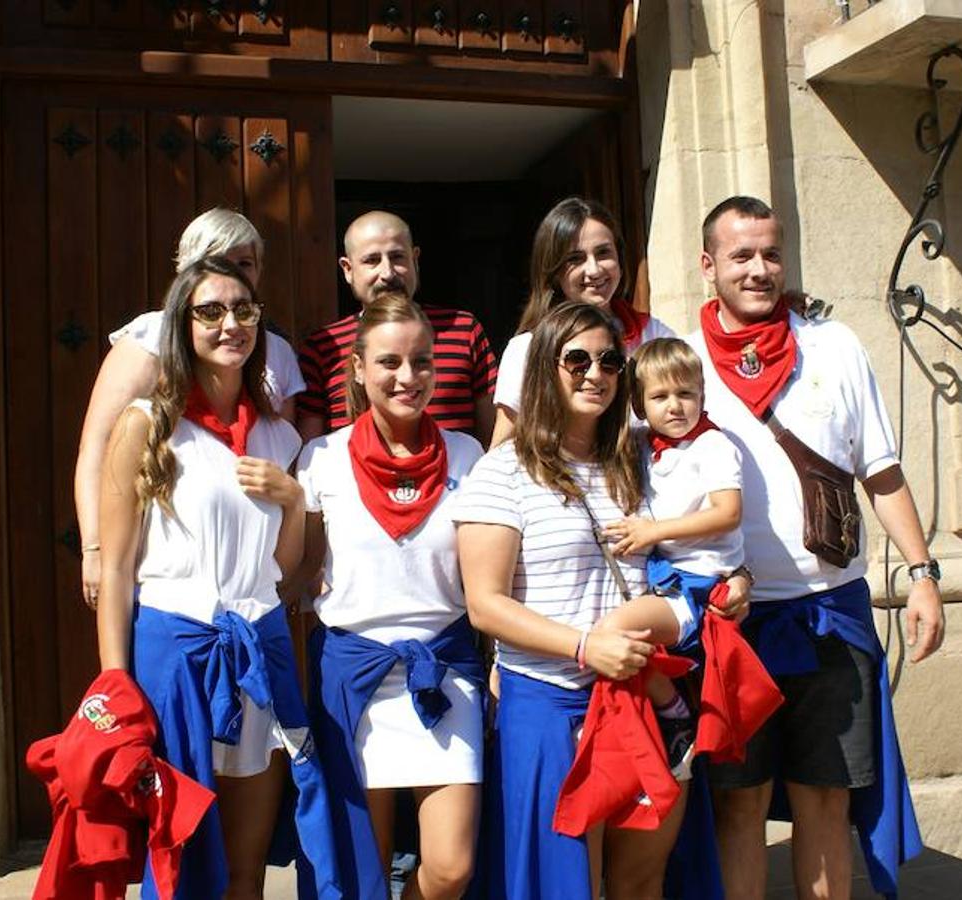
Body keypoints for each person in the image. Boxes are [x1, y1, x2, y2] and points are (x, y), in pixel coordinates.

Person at [688, 196, 944, 899]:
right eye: (742, 255)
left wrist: (921, 575)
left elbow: (882, 471)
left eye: (771, 253)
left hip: (831, 613)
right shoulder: (678, 363)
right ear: (709, 265)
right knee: (738, 805)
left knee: (825, 798)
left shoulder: (833, 346)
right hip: (731, 627)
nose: (760, 269)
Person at [95, 257, 338, 900]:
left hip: (259, 647)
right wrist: (115, 681)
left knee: (246, 868)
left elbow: (284, 573)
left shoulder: (279, 433)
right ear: (183, 324)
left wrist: (291, 500)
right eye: (210, 311)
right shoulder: (147, 424)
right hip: (175, 652)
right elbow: (118, 568)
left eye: (244, 309)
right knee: (177, 858)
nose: (231, 323)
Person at [455, 300, 687, 900]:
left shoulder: (645, 458)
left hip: (641, 696)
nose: (596, 373)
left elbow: (697, 549)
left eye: (610, 361)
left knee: (642, 879)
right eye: (577, 358)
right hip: (552, 702)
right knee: (562, 885)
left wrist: (729, 582)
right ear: (543, 370)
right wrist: (587, 646)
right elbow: (485, 605)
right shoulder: (502, 473)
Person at [297, 294, 485, 900]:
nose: (409, 377)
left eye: (423, 361)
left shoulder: (468, 455)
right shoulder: (320, 459)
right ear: (356, 368)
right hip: (352, 675)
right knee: (361, 867)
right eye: (390, 362)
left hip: (444, 668)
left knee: (451, 868)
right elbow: (299, 574)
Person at [74, 207, 305, 609]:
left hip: (248, 574)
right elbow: (99, 447)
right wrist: (95, 547)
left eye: (244, 263)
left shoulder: (278, 351)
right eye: (214, 258)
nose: (230, 271)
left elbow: (281, 457)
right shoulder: (150, 336)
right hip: (172, 559)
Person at [596, 337, 747, 731]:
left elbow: (728, 513)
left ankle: (674, 712)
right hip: (665, 579)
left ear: (702, 394)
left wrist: (653, 532)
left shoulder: (712, 445)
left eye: (685, 393)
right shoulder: (644, 444)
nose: (675, 406)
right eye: (660, 396)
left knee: (614, 631)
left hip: (696, 584)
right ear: (639, 404)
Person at [297, 211, 497, 446]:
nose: (388, 273)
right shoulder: (323, 348)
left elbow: (496, 439)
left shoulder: (464, 331)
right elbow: (312, 452)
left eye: (397, 257)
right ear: (347, 269)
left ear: (415, 259)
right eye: (372, 260)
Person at [490, 197, 675, 448]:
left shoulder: (655, 335)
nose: (595, 269)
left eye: (603, 253)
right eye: (575, 258)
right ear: (554, 271)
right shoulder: (527, 348)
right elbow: (503, 446)